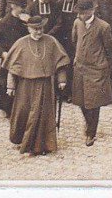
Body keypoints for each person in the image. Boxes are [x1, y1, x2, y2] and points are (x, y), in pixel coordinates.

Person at [4, 15, 69, 155]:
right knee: (23, 112)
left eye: (41, 29)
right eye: (35, 29)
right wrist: (10, 86)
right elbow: (12, 68)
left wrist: (61, 80)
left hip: (45, 85)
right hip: (25, 86)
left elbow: (61, 63)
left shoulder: (51, 41)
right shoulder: (20, 43)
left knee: (42, 114)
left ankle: (41, 145)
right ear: (28, 29)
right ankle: (21, 139)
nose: (39, 32)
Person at [71, 0, 112, 146]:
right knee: (81, 101)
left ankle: (91, 132)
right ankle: (88, 122)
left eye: (83, 12)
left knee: (94, 102)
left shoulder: (103, 27)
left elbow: (110, 48)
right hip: (80, 68)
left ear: (92, 11)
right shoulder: (77, 23)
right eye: (79, 12)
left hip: (96, 70)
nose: (80, 15)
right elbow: (74, 40)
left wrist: (104, 66)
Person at [0, 0, 29, 115]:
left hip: (22, 55)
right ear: (13, 7)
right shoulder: (5, 22)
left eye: (23, 7)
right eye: (19, 7)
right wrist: (2, 52)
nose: (22, 10)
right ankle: (5, 107)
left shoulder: (24, 20)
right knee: (4, 80)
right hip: (8, 56)